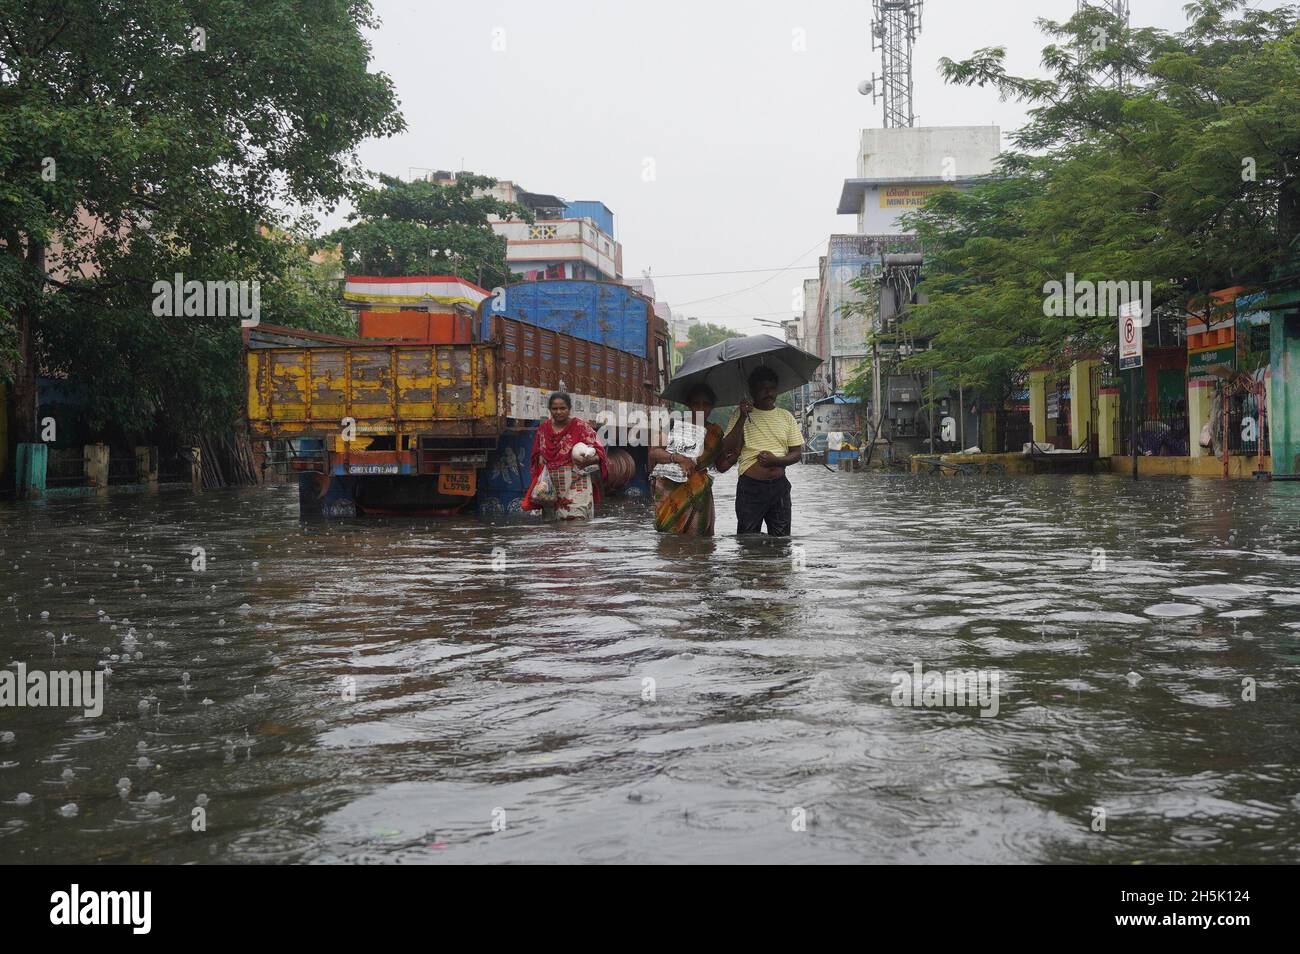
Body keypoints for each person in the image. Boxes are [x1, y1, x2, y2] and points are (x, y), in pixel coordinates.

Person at [721, 366, 803, 536]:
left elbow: (796, 453)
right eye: (763, 388)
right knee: (748, 540)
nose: (768, 393)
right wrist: (743, 416)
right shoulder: (740, 414)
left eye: (772, 388)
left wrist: (776, 461)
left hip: (779, 487)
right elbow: (726, 447)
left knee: (782, 541)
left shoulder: (786, 416)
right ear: (752, 390)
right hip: (750, 488)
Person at [648, 384, 734, 536]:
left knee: (698, 542)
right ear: (688, 405)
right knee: (668, 539)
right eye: (696, 403)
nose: (701, 408)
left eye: (706, 404)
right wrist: (678, 458)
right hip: (670, 488)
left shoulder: (715, 432)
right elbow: (654, 452)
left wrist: (735, 457)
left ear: (712, 407)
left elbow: (720, 466)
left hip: (699, 490)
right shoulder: (673, 424)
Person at [528, 391, 608, 520]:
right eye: (555, 409)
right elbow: (536, 456)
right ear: (549, 410)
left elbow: (600, 453)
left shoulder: (580, 427)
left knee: (576, 521)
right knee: (552, 527)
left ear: (569, 409)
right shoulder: (543, 429)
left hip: (577, 482)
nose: (558, 412)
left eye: (562, 408)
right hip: (550, 486)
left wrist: (586, 460)